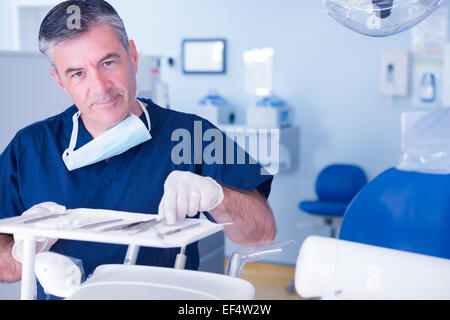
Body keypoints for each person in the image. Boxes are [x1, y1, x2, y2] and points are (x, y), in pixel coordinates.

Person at [0, 0, 276, 299]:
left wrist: (218, 196)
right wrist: (23, 251)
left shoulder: (194, 135)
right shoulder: (29, 148)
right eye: (77, 73)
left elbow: (261, 232)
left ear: (132, 55)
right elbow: (5, 270)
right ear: (60, 81)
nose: (100, 87)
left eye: (108, 62)